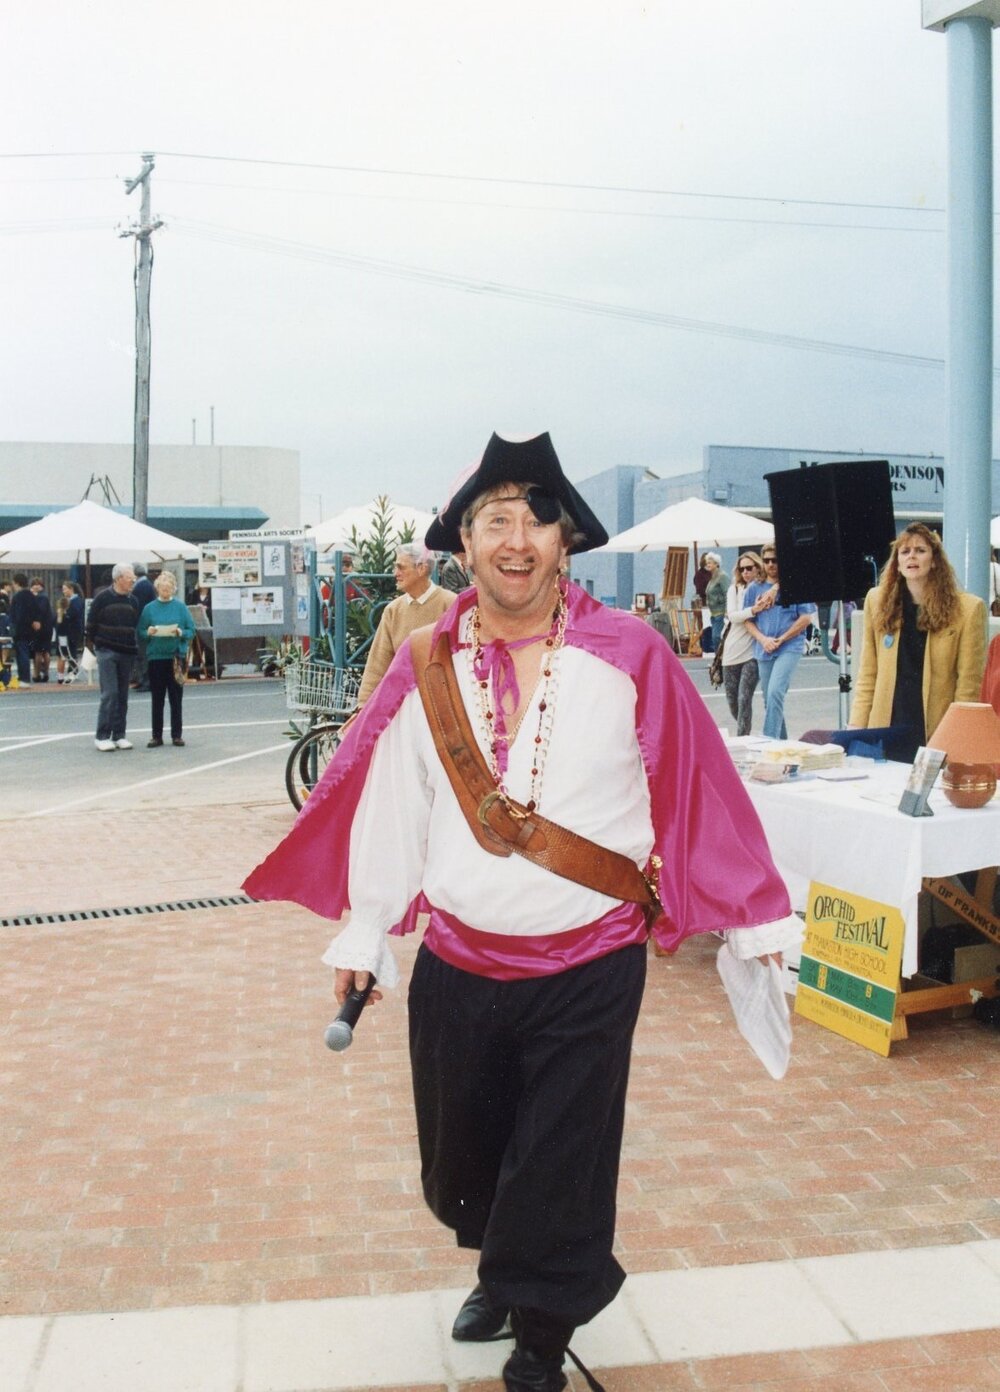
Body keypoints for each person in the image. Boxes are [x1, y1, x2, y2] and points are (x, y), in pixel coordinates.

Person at [244, 431, 800, 1392]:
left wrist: (752, 920)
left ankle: (540, 1336)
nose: (515, 538)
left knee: (561, 1159)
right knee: (465, 1154)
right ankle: (502, 1270)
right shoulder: (425, 661)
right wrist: (367, 933)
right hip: (460, 963)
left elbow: (699, 785)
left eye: (534, 519)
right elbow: (395, 807)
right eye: (492, 519)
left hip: (590, 965)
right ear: (463, 544)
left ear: (565, 543)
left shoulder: (631, 653)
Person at [848, 524, 986, 762]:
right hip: (886, 726)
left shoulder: (968, 609)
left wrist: (958, 741)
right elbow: (868, 673)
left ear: (934, 561)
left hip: (935, 730)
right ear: (898, 564)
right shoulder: (876, 601)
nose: (911, 556)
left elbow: (968, 687)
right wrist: (856, 727)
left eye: (920, 550)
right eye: (904, 551)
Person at [355, 543, 456, 706]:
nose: (395, 573)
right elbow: (378, 661)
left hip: (440, 703)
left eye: (401, 567)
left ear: (421, 569)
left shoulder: (450, 603)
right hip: (402, 703)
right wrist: (364, 704)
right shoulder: (393, 610)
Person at [742, 546, 817, 740]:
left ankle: (769, 741)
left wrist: (782, 638)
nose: (770, 564)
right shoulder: (754, 588)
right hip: (764, 647)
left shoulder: (795, 584)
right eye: (766, 560)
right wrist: (762, 639)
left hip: (789, 646)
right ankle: (782, 744)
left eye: (774, 560)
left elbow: (806, 617)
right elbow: (747, 619)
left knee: (776, 692)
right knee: (769, 699)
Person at [137, 571, 196, 747]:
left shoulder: (180, 607)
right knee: (157, 698)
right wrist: (148, 632)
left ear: (174, 589)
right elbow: (140, 631)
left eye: (169, 588)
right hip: (156, 657)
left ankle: (176, 735)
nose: (165, 591)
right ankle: (156, 735)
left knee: (176, 698)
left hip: (175, 658)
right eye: (162, 588)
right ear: (157, 589)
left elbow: (191, 631)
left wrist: (180, 632)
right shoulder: (149, 609)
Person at [85, 563, 139, 751]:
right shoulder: (102, 598)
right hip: (106, 651)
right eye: (129, 577)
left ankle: (119, 735)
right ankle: (101, 736)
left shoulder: (133, 601)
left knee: (123, 695)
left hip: (126, 652)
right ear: (118, 579)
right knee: (110, 693)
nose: (133, 580)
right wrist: (97, 646)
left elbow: (135, 625)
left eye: (133, 577)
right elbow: (90, 624)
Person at [721, 551, 763, 736]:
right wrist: (753, 610)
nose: (745, 572)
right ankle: (745, 732)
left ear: (757, 568)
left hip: (752, 653)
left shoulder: (762, 589)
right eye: (742, 569)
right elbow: (732, 616)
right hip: (731, 651)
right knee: (733, 703)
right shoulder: (735, 589)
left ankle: (742, 739)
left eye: (749, 568)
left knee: (744, 698)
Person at [130, 563, 157, 691]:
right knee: (141, 653)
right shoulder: (146, 585)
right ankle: (143, 679)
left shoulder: (142, 586)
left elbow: (138, 607)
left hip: (143, 624)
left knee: (143, 653)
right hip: (145, 623)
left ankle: (147, 680)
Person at [9, 573, 36, 685]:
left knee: (22, 654)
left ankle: (24, 678)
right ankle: (24, 678)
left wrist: (14, 628)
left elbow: (18, 615)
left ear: (17, 583)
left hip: (20, 629)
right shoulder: (31, 595)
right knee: (25, 653)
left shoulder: (18, 597)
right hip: (29, 629)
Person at [701, 552, 729, 654]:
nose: (708, 564)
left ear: (717, 564)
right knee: (715, 638)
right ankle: (719, 659)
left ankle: (720, 659)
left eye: (710, 562)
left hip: (720, 612)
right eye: (707, 563)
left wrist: (727, 610)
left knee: (717, 637)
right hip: (714, 613)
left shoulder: (722, 576)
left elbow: (727, 593)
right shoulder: (713, 577)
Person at [29, 578, 54, 683]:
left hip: (38, 627)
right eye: (34, 584)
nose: (36, 586)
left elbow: (36, 612)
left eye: (38, 584)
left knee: (38, 652)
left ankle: (37, 673)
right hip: (48, 627)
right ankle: (46, 673)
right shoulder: (46, 597)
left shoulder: (38, 598)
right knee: (46, 651)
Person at [59, 581, 85, 680]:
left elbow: (72, 614)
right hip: (69, 630)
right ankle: (72, 670)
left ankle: (73, 671)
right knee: (69, 651)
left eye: (65, 589)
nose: (63, 591)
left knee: (71, 651)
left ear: (71, 589)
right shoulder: (70, 600)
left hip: (74, 630)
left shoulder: (76, 600)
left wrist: (64, 613)